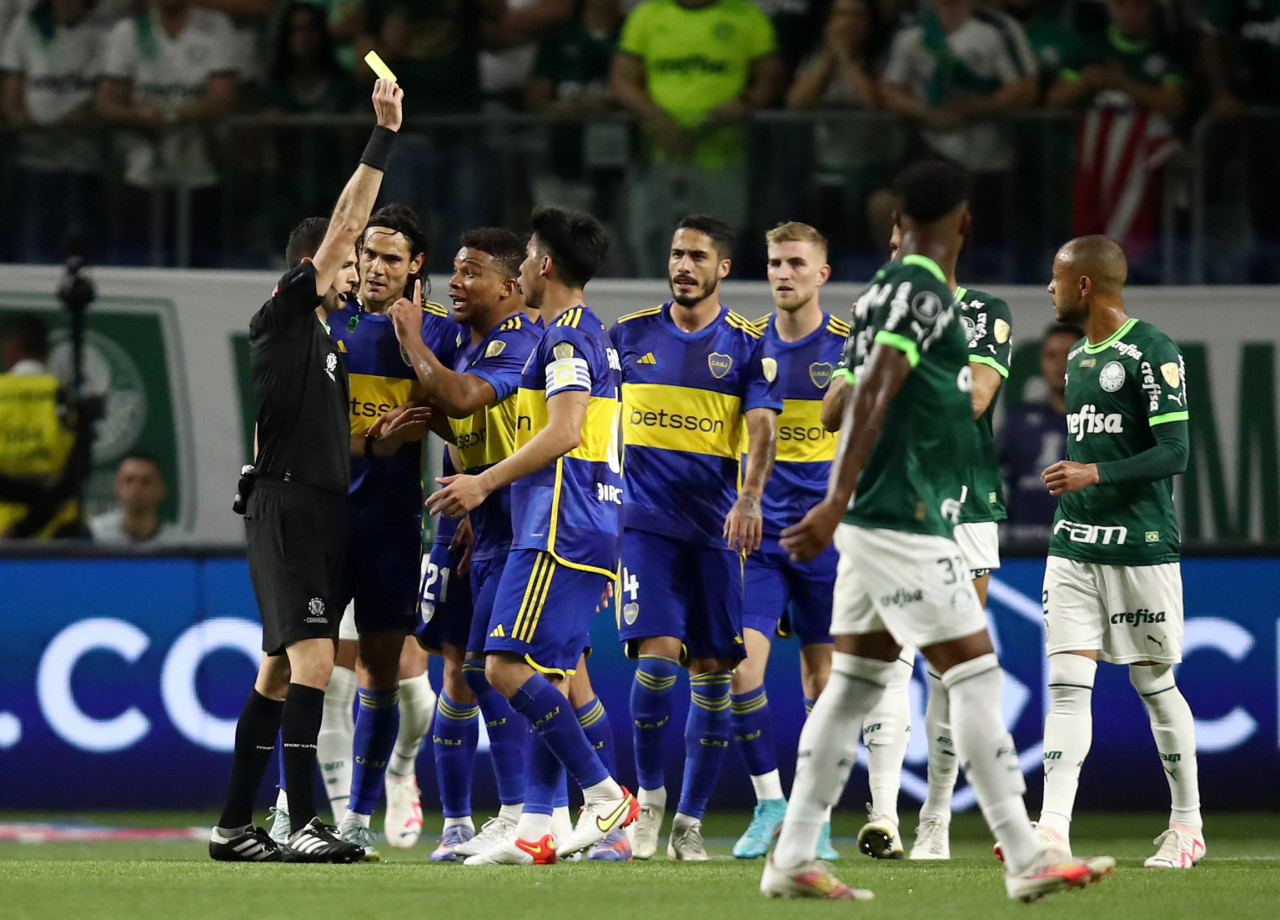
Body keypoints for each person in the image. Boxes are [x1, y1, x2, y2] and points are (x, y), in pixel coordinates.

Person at [760, 160, 1113, 901]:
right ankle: (1026, 856)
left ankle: (792, 856)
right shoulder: (922, 292)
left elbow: (834, 407)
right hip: (905, 517)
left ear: (899, 222)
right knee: (977, 676)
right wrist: (836, 497)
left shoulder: (879, 292)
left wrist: (844, 494)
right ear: (962, 223)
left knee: (852, 686)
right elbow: (879, 387)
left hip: (874, 518)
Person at [209, 77, 402, 864]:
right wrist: (381, 137)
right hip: (287, 507)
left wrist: (374, 444)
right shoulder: (286, 316)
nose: (360, 268)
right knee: (317, 659)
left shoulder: (324, 341)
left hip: (313, 505)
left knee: (279, 676)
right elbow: (349, 218)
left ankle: (233, 826)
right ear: (316, 266)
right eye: (351, 259)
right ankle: (302, 822)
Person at [425, 206, 635, 866]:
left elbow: (567, 431)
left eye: (525, 257)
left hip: (558, 525)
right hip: (584, 524)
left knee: (505, 667)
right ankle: (538, 826)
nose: (518, 269)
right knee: (543, 671)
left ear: (544, 265)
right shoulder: (584, 333)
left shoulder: (568, 336)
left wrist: (484, 486)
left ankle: (605, 797)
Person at [819, 200, 1016, 863]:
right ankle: (881, 814)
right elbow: (831, 410)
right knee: (883, 667)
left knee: (950, 671)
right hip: (889, 504)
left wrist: (897, 377)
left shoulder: (986, 311)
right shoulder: (874, 312)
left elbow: (978, 397)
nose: (902, 244)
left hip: (964, 505)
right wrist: (872, 363)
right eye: (896, 235)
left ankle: (935, 818)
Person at [611, 214, 781, 860]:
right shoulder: (625, 338)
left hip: (716, 530)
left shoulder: (746, 345)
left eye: (697, 256)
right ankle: (649, 800)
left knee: (712, 673)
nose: (683, 265)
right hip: (644, 526)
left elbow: (762, 429)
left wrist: (748, 497)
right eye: (677, 253)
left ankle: (690, 820)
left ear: (723, 269)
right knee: (656, 662)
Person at [1035, 234, 1203, 869]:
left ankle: (1187, 825)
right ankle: (1053, 829)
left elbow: (1176, 452)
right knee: (1067, 688)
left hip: (1140, 549)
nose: (1048, 288)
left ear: (1084, 285)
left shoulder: (1152, 351)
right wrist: (1079, 483)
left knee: (1153, 682)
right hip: (1073, 544)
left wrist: (1094, 476)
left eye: (1056, 277)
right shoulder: (1079, 358)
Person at [390, 227, 545, 861]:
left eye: (471, 272)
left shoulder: (523, 340)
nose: (457, 283)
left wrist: (409, 338)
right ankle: (466, 820)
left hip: (532, 528)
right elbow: (460, 415)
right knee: (463, 669)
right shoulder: (461, 335)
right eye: (452, 271)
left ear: (509, 285)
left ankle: (576, 809)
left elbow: (457, 393)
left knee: (547, 679)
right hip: (471, 526)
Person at [319, 204, 457, 858]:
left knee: (383, 675)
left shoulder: (435, 334)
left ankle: (361, 813)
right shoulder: (326, 322)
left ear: (416, 267)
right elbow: (298, 432)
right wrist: (365, 446)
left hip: (392, 528)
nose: (376, 268)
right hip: (319, 524)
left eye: (392, 259)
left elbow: (463, 424)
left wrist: (418, 351)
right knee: (305, 672)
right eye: (369, 255)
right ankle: (296, 806)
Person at [728, 222, 847, 862]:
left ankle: (815, 816)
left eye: (797, 263)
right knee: (740, 668)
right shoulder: (748, 348)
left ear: (821, 274)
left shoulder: (851, 351)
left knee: (821, 677)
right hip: (760, 534)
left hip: (825, 536)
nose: (783, 273)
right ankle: (769, 801)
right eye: (774, 262)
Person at [609, 0, 785, 275]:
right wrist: (656, 118)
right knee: (654, 241)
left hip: (724, 156)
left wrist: (745, 102)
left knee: (720, 244)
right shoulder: (648, 14)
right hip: (658, 156)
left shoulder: (745, 14)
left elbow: (771, 76)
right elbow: (622, 77)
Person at [878, 0, 1036, 276]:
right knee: (888, 207)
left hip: (992, 161)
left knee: (984, 237)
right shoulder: (912, 31)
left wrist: (973, 109)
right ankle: (907, 277)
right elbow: (888, 88)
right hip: (933, 152)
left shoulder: (999, 29)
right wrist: (927, 113)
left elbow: (1025, 88)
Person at [1045, 0, 1185, 280]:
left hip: (1141, 172)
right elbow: (1055, 98)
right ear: (1109, 8)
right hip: (1091, 167)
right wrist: (1086, 81)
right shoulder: (1089, 48)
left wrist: (1122, 83)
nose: (1129, 13)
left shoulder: (1167, 49)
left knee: (1135, 223)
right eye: (1121, 5)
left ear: (1150, 9)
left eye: (1137, 6)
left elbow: (1174, 102)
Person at [94, 0, 239, 264]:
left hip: (200, 172)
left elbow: (223, 98)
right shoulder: (130, 30)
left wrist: (170, 115)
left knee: (201, 261)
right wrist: (137, 116)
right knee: (139, 261)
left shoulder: (216, 26)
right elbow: (106, 101)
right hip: (141, 174)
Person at [0, 0, 107, 263]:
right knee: (32, 249)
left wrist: (74, 119)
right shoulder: (27, 27)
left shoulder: (106, 34)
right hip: (34, 159)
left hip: (83, 160)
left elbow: (107, 95)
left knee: (80, 250)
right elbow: (12, 90)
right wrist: (21, 118)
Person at [1000, 322, 1080, 546]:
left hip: (1078, 549)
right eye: (1050, 355)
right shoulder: (1019, 421)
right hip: (1022, 547)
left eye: (1068, 355)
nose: (1058, 363)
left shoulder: (1103, 424)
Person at [89, 452, 183, 544]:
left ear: (161, 489)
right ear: (117, 488)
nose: (136, 488)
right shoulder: (94, 536)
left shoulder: (180, 544)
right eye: (129, 480)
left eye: (146, 481)